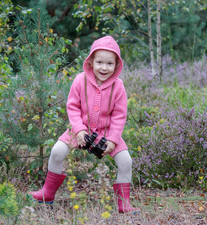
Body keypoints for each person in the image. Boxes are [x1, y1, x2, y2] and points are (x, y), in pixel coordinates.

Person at [28, 36, 139, 213]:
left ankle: (123, 203)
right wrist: (78, 129)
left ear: (117, 65)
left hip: (106, 133)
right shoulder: (80, 80)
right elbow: (72, 107)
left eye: (109, 64)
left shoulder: (118, 86)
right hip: (80, 129)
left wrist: (112, 140)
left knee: (126, 161)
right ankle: (47, 193)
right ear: (91, 62)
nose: (104, 67)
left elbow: (119, 116)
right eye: (100, 62)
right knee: (57, 151)